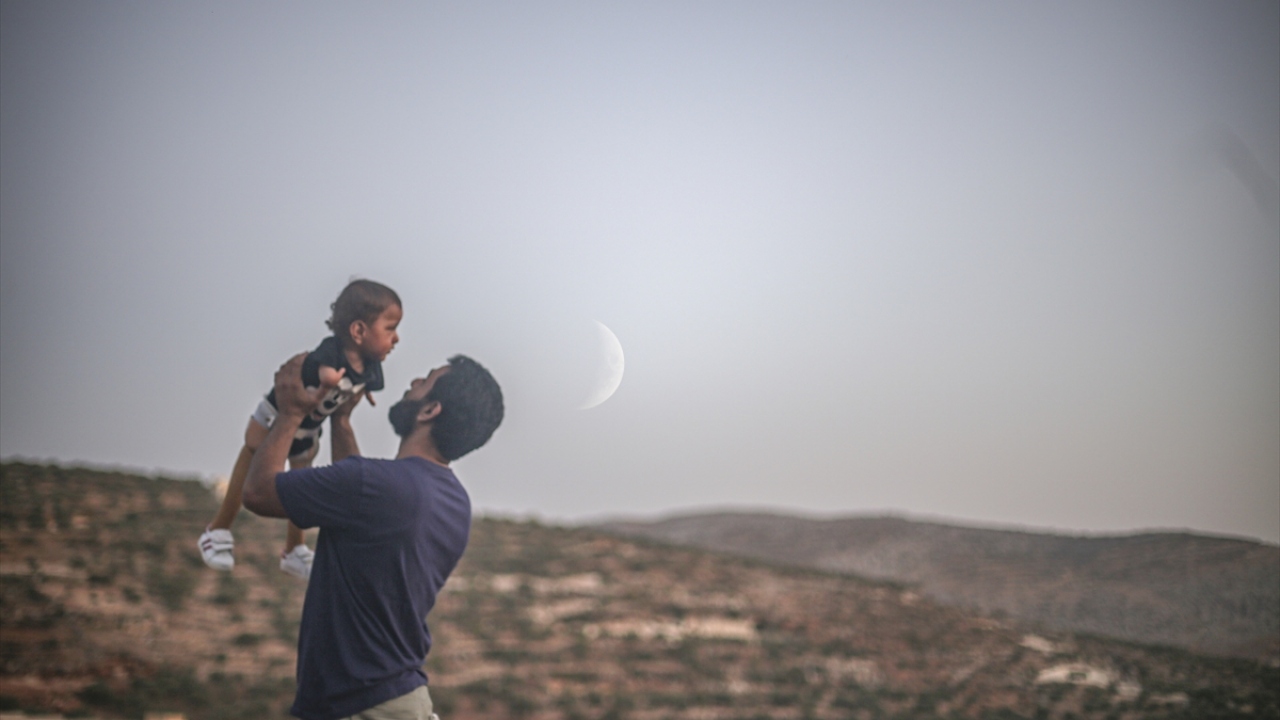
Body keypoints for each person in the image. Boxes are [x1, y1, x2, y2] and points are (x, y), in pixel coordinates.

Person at [243, 351, 503, 720]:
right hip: (400, 701)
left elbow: (258, 492)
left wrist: (289, 413)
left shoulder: (377, 485)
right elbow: (359, 504)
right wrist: (341, 422)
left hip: (356, 705)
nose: (413, 382)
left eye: (424, 381)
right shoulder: (454, 502)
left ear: (430, 411)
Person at [199, 279, 403, 579]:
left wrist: (359, 393)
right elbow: (322, 369)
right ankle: (217, 530)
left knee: (300, 478)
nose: (396, 338)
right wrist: (331, 380)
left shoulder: (371, 366)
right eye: (390, 328)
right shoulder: (332, 352)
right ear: (358, 331)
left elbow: (365, 385)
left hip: (310, 425)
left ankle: (294, 549)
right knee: (253, 451)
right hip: (277, 413)